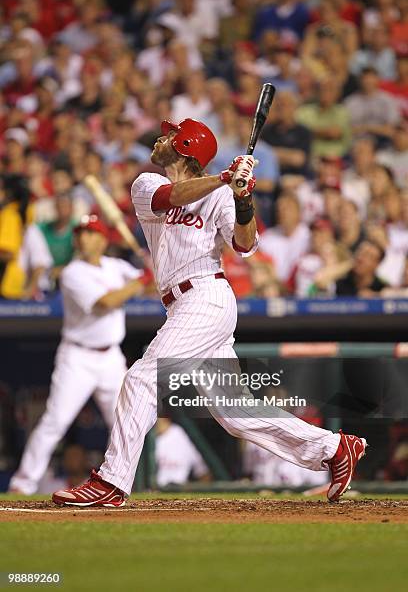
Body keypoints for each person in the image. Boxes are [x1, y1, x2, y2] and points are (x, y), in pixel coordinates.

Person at [52, 118, 367, 507]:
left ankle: (111, 481)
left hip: (207, 296)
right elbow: (171, 197)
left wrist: (243, 199)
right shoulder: (147, 183)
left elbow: (245, 245)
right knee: (236, 413)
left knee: (141, 378)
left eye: (170, 135)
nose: (160, 138)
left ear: (184, 146)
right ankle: (335, 448)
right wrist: (224, 179)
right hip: (182, 303)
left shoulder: (220, 195)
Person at [8, 215, 143, 495]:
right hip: (77, 358)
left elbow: (150, 285)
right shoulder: (72, 272)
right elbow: (105, 302)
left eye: (91, 233)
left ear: (103, 239)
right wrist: (139, 281)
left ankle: (133, 482)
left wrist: (150, 272)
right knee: (55, 421)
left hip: (110, 358)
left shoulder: (116, 266)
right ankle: (23, 483)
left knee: (127, 420)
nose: (84, 238)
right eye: (80, 232)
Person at [155, 418, 210, 487]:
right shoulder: (150, 438)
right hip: (155, 490)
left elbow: (203, 472)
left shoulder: (180, 434)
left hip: (180, 488)